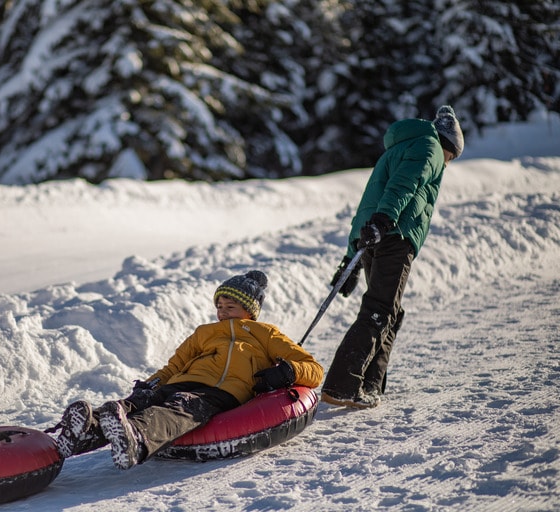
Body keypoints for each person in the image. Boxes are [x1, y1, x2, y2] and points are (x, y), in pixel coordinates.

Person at [47, 270, 324, 469]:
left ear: (250, 310)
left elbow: (313, 369)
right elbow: (174, 365)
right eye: (219, 306)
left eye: (231, 306)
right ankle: (87, 430)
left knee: (182, 406)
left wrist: (287, 372)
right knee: (142, 400)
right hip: (183, 380)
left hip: (221, 391)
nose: (223, 312)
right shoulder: (203, 332)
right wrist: (152, 384)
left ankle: (137, 439)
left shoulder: (265, 333)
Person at [321, 105, 465, 409]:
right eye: (451, 158)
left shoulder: (397, 150)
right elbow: (405, 185)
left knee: (390, 312)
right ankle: (342, 385)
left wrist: (351, 260)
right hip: (394, 236)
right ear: (448, 146)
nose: (446, 164)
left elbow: (365, 208)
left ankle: (369, 384)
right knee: (380, 310)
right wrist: (385, 220)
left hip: (377, 235)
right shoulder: (430, 147)